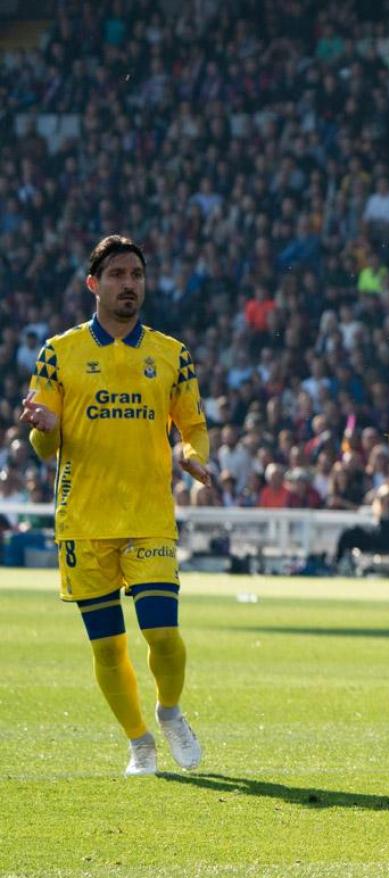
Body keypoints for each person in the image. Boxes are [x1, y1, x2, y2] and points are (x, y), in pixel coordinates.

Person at [19, 234, 212, 776]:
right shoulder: (59, 352)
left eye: (137, 275)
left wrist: (193, 456)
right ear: (93, 284)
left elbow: (193, 425)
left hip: (149, 515)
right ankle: (139, 743)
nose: (130, 284)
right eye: (118, 275)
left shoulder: (171, 354)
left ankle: (169, 712)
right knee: (107, 648)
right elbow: (42, 445)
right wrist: (47, 430)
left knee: (163, 634)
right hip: (84, 520)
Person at [334, 483, 389, 568]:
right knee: (349, 532)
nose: (387, 501)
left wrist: (385, 512)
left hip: (384, 544)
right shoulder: (380, 511)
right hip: (374, 540)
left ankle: (338, 562)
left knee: (352, 533)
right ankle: (340, 561)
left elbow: (386, 532)